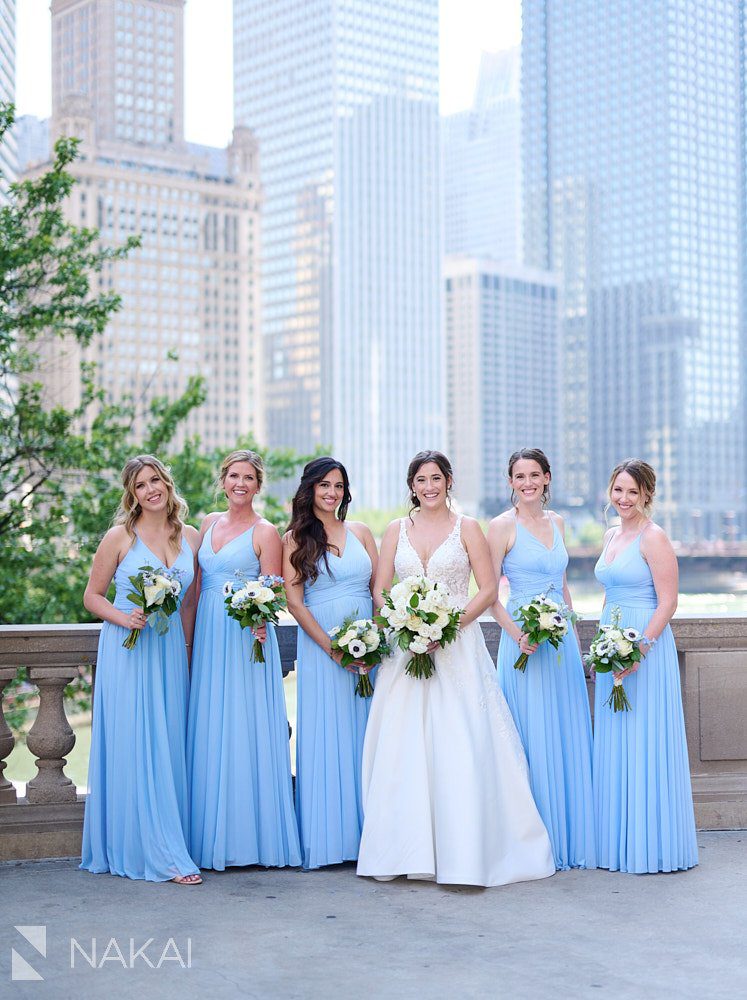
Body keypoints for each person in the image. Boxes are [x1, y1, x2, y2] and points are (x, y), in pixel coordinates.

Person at [357, 451, 555, 886]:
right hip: (406, 650)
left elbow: (486, 590)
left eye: (436, 478)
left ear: (449, 482)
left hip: (455, 647)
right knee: (404, 746)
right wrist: (405, 625)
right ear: (412, 486)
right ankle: (404, 851)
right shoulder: (395, 530)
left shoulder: (468, 529)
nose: (429, 486)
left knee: (460, 742)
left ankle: (465, 852)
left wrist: (445, 628)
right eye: (421, 480)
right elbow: (380, 588)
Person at [81, 455, 202, 883]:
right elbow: (92, 596)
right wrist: (122, 617)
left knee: (167, 746)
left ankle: (170, 839)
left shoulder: (189, 535)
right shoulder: (119, 537)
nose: (151, 490)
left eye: (156, 481)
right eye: (140, 485)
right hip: (129, 649)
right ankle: (157, 853)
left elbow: (189, 602)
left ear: (167, 484)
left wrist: (188, 652)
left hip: (169, 651)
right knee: (136, 742)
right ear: (132, 495)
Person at [184, 450, 301, 870]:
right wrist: (188, 641)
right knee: (212, 724)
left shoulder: (265, 531)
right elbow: (195, 589)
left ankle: (251, 839)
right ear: (223, 479)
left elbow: (273, 589)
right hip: (211, 635)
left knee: (244, 724)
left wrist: (259, 621)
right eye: (234, 475)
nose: (240, 483)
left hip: (245, 636)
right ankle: (208, 836)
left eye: (249, 477)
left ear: (258, 484)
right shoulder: (208, 523)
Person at [488, 448, 595, 870]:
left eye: (535, 474)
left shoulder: (559, 522)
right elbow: (491, 596)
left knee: (566, 731)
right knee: (530, 733)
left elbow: (563, 586)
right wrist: (516, 636)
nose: (528, 482)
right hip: (523, 641)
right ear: (510, 481)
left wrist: (574, 633)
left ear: (547, 478)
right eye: (520, 475)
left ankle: (571, 834)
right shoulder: (500, 527)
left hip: (561, 643)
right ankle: (533, 840)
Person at [594, 459, 698, 873]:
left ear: (647, 495)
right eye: (618, 490)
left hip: (645, 646)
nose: (624, 499)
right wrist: (604, 645)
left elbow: (669, 601)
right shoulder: (609, 535)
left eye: (632, 492)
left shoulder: (654, 538)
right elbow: (609, 594)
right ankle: (618, 844)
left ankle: (652, 845)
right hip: (611, 641)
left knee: (645, 741)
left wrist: (640, 651)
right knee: (617, 741)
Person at [283, 457, 379, 870]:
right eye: (324, 485)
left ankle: (371, 838)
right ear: (310, 489)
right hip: (323, 650)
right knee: (328, 735)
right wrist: (331, 649)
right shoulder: (295, 539)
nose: (332, 493)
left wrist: (377, 639)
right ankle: (329, 839)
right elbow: (294, 602)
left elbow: (378, 591)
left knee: (367, 736)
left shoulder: (360, 532)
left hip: (369, 649)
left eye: (338, 486)